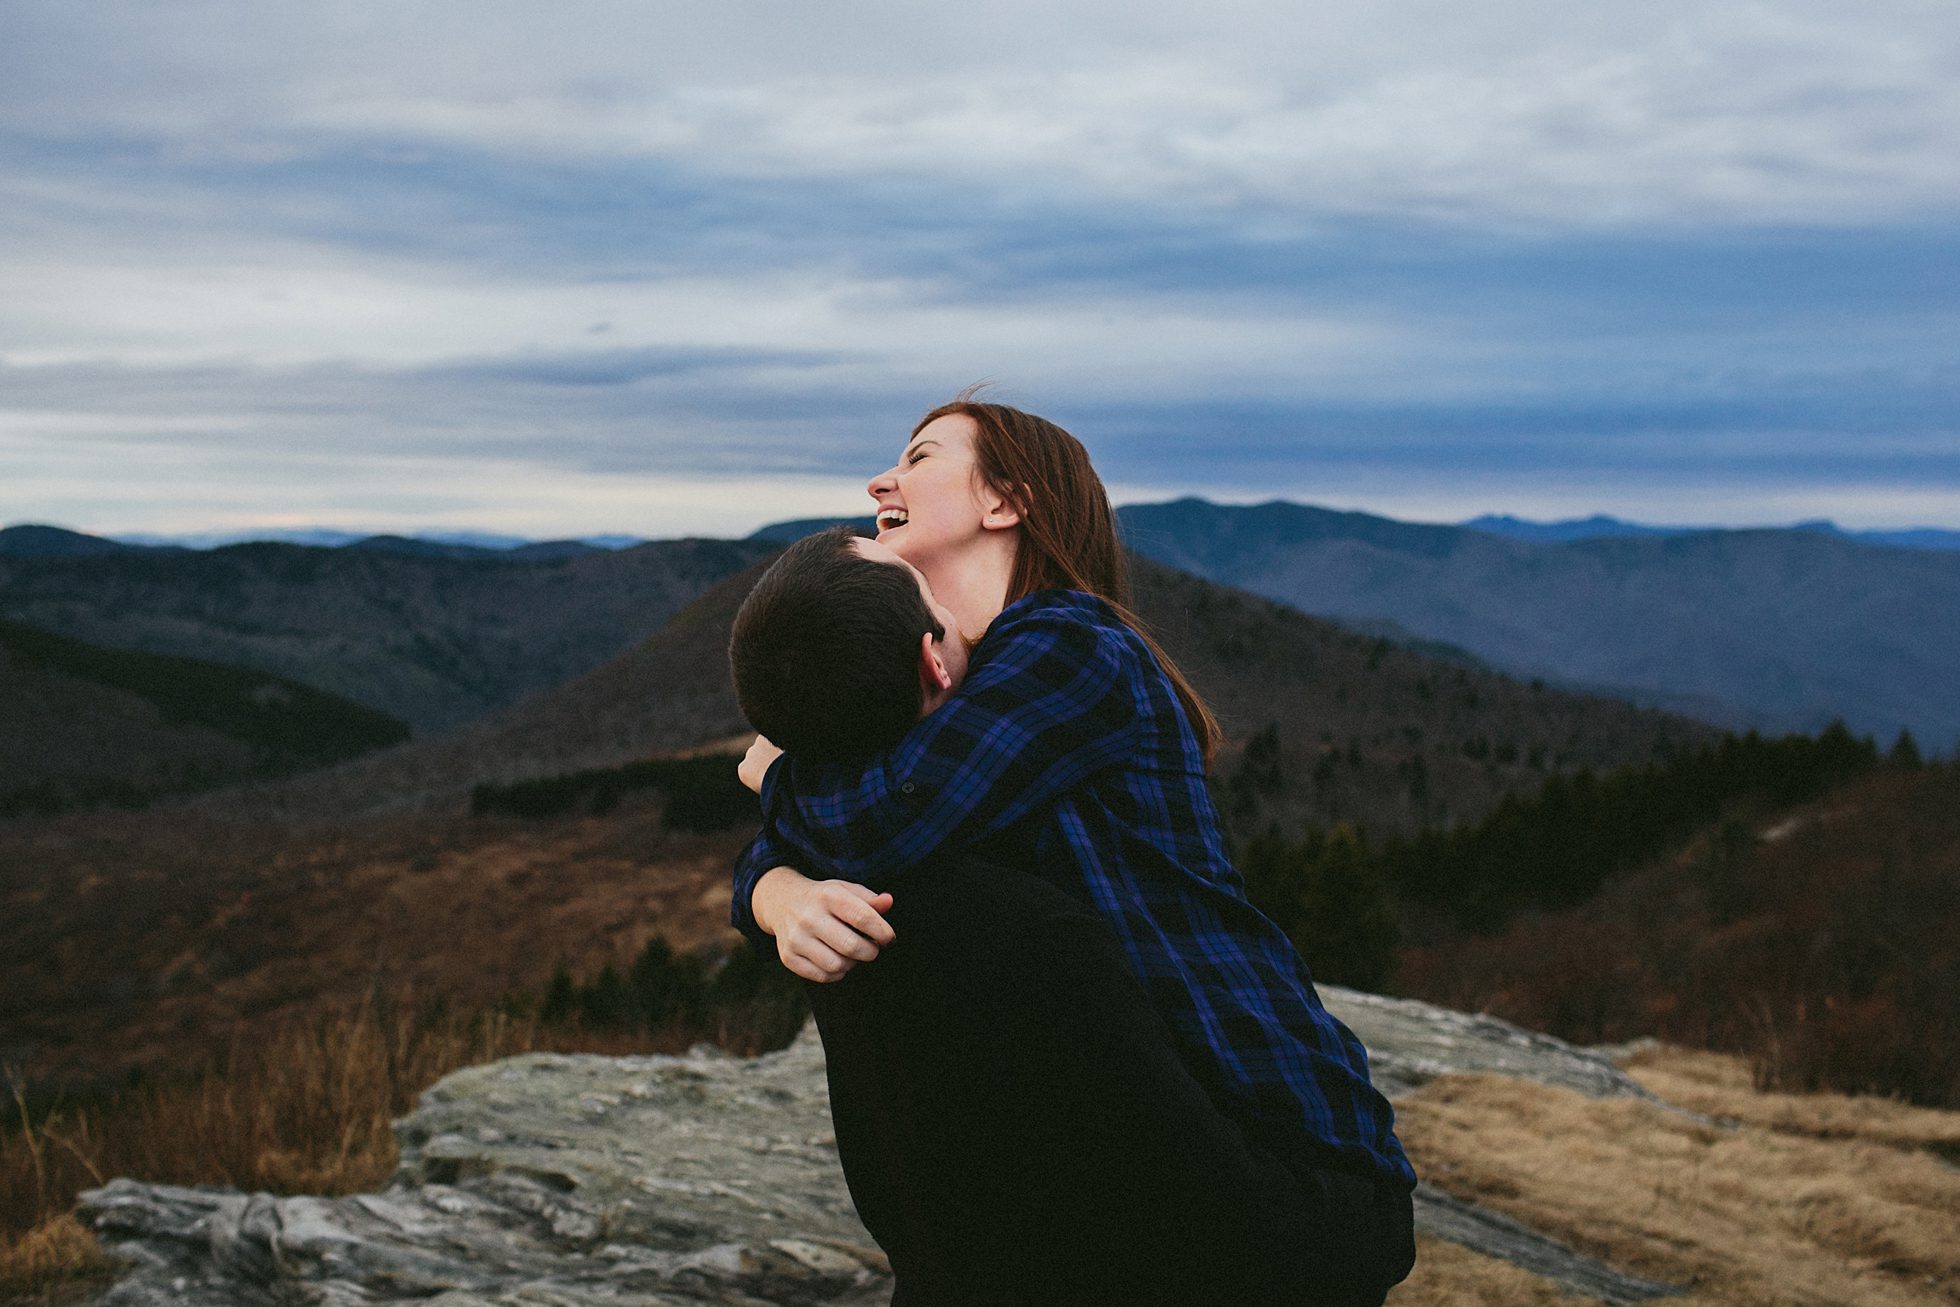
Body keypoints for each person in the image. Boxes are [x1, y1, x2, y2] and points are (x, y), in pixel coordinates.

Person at [727, 398, 1418, 1305]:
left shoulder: (1071, 643)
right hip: (1141, 1137)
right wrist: (776, 892)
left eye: (921, 455)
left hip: (1274, 1139)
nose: (879, 481)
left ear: (1005, 502)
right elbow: (855, 829)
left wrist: (776, 785)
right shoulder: (933, 696)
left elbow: (885, 823)